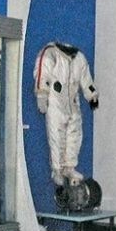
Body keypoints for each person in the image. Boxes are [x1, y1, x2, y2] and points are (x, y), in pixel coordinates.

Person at [33, 42, 99, 186]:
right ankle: (57, 170)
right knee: (57, 136)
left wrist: (92, 96)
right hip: (56, 102)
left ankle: (69, 167)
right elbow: (43, 74)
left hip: (72, 102)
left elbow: (86, 79)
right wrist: (41, 94)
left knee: (74, 134)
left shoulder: (79, 58)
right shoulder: (50, 53)